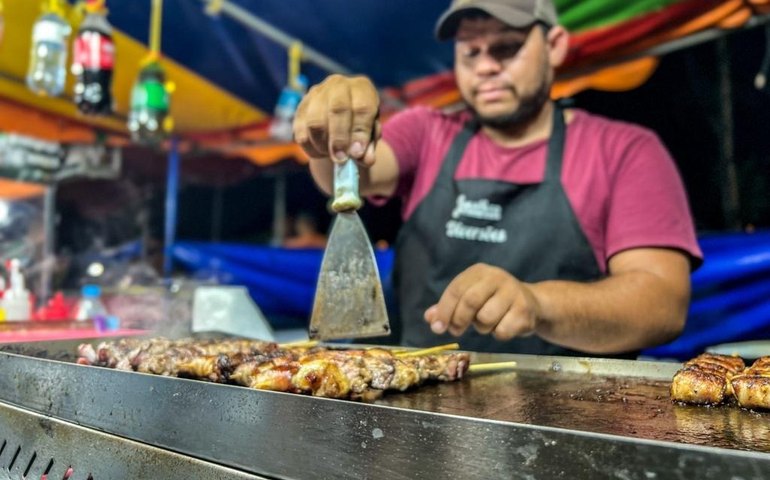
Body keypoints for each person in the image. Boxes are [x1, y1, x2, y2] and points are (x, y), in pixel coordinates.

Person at [292, 0, 702, 357]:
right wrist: (334, 126)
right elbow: (350, 176)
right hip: (423, 416)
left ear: (555, 45)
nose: (486, 66)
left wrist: (537, 303)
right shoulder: (428, 133)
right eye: (470, 51)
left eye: (507, 48)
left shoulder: (622, 150)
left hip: (569, 417)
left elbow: (662, 305)